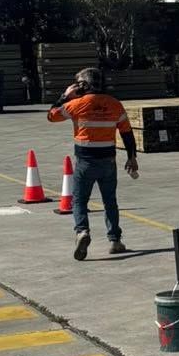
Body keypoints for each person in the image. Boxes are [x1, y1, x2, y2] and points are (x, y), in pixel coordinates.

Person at [47, 66, 138, 259]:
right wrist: (132, 157)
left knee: (79, 200)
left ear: (83, 85)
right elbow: (127, 134)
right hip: (108, 161)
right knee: (110, 201)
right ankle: (115, 240)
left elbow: (51, 116)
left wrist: (65, 96)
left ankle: (82, 231)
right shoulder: (115, 104)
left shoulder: (76, 104)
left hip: (85, 161)